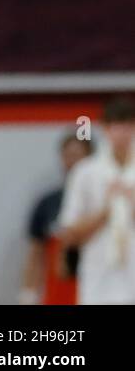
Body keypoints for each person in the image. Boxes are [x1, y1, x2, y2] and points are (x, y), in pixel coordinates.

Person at [57, 95, 135, 304]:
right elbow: (70, 234)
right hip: (98, 286)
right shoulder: (86, 172)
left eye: (128, 125)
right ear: (106, 128)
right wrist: (106, 210)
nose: (122, 133)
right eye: (116, 125)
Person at [22, 132, 92, 305]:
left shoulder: (100, 202)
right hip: (57, 294)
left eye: (78, 156)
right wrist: (28, 295)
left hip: (93, 291)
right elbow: (35, 254)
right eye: (67, 156)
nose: (72, 162)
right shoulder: (48, 203)